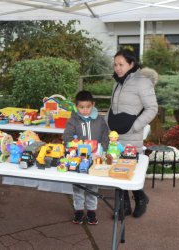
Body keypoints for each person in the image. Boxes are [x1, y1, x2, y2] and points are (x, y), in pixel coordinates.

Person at [106, 48, 158, 218]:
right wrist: (107, 122)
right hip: (115, 135)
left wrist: (136, 126)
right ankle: (125, 206)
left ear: (131, 64)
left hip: (131, 134)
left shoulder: (142, 81)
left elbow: (152, 108)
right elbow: (112, 106)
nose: (117, 68)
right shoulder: (117, 82)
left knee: (129, 170)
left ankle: (140, 198)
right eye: (115, 65)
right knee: (117, 169)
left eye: (121, 64)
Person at [63, 90, 109, 225]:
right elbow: (67, 138)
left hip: (95, 158)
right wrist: (75, 146)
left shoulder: (100, 120)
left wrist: (103, 151)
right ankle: (78, 210)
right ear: (76, 106)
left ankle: (91, 210)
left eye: (88, 107)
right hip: (78, 159)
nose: (85, 110)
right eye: (81, 107)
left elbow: (106, 137)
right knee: (78, 186)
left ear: (93, 104)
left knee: (93, 186)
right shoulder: (73, 120)